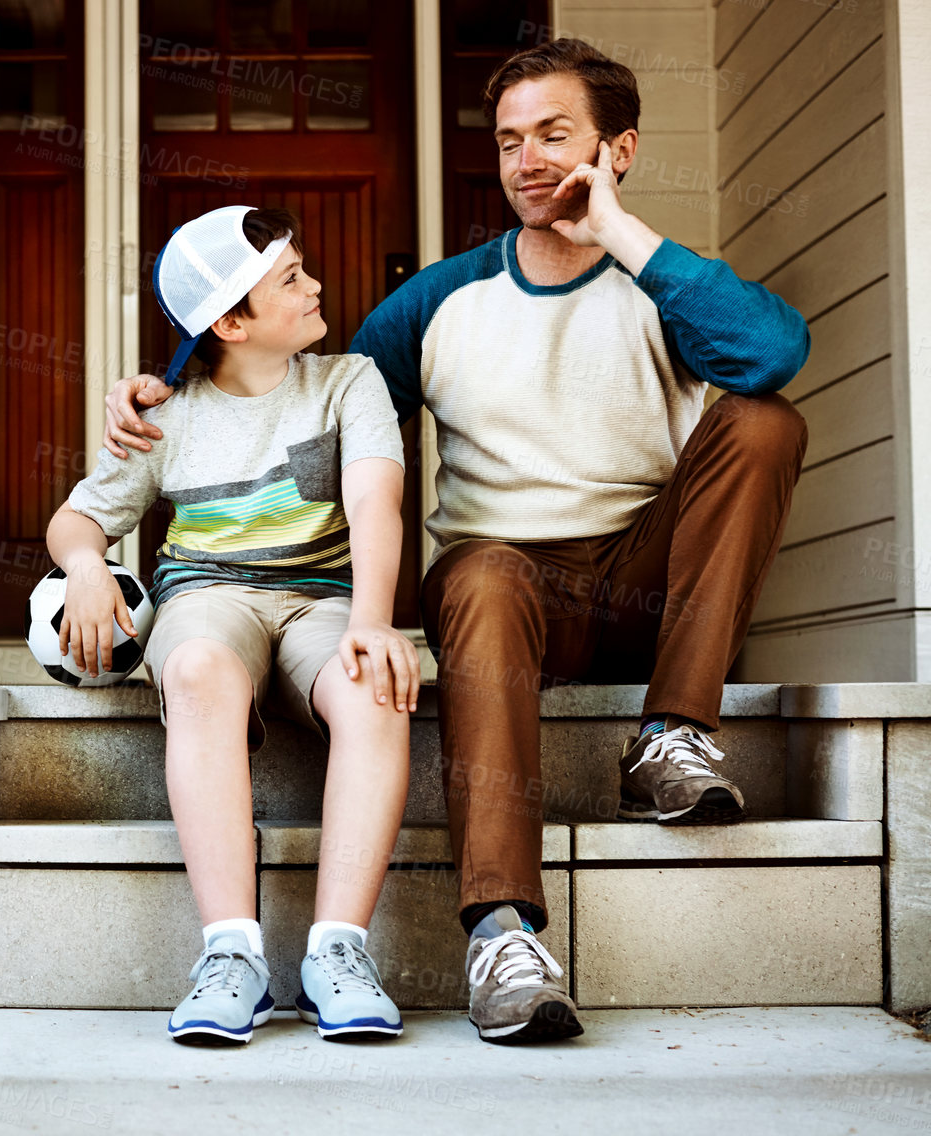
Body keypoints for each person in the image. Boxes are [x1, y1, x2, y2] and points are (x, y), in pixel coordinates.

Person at [100, 40, 809, 1045]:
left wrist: (614, 230)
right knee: (475, 569)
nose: (524, 159)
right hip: (504, 596)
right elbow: (297, 396)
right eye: (508, 140)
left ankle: (669, 734)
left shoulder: (665, 283)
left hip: (652, 582)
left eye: (553, 136)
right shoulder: (437, 303)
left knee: (764, 419)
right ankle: (503, 934)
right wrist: (162, 391)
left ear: (619, 147)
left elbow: (773, 353)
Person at [48, 203, 418, 1045]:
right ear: (230, 319)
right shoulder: (165, 416)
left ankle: (338, 953)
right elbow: (76, 521)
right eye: (291, 279)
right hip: (210, 597)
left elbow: (373, 500)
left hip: (322, 600)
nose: (316, 284)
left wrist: (372, 621)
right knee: (199, 670)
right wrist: (83, 568)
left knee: (374, 689)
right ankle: (232, 957)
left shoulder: (348, 381)